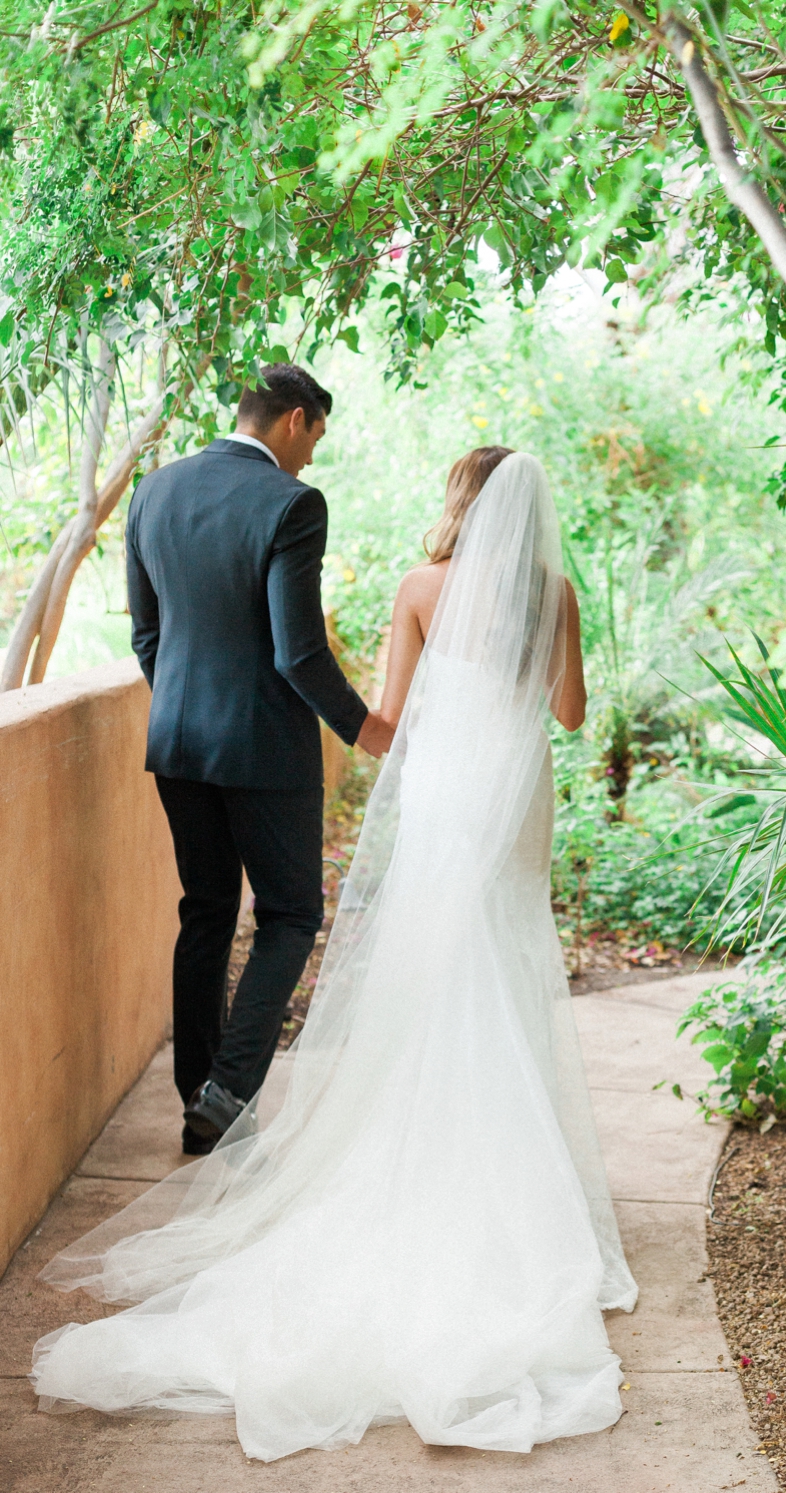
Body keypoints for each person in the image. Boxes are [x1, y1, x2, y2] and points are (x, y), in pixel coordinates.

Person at [32, 449, 638, 1461]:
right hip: (516, 794)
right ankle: (511, 1168)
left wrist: (419, 748)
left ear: (460, 504)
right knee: (506, 957)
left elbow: (390, 725)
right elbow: (569, 714)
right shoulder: (555, 590)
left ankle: (421, 1141)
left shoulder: (418, 587)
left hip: (448, 790)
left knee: (433, 965)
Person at [125, 364, 393, 1154]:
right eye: (314, 436)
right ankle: (231, 1086)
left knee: (205, 910)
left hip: (177, 742)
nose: (311, 457)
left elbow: (148, 637)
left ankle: (198, 1102)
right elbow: (298, 652)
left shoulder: (155, 490)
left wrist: (186, 705)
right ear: (294, 420)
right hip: (264, 752)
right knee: (290, 914)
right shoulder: (291, 503)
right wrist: (364, 728)